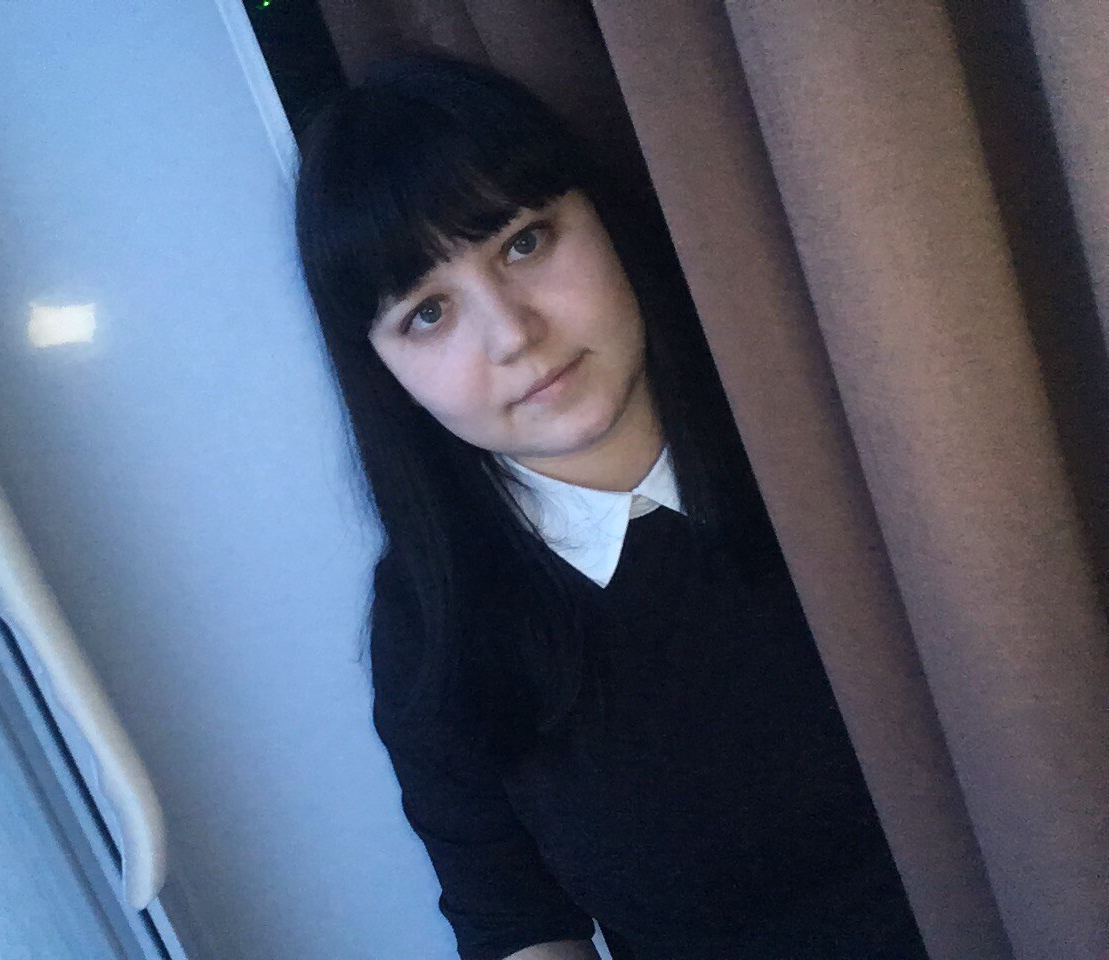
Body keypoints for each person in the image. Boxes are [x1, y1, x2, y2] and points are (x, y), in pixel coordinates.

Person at [293, 53, 927, 960]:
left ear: (602, 218)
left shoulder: (828, 426)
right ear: (382, 370)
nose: (513, 335)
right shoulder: (429, 620)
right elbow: (515, 923)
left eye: (524, 243)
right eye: (428, 312)